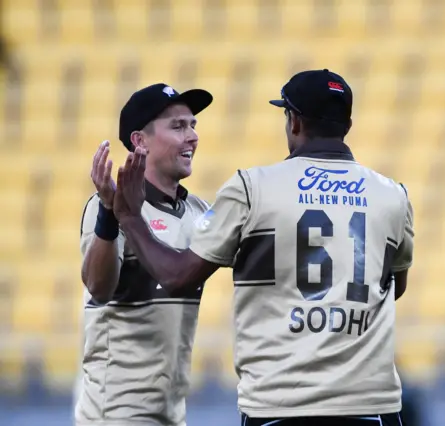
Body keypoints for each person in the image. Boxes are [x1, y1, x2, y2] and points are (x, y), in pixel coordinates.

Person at [112, 69, 414, 426]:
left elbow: (176, 276)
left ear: (294, 122)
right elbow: (394, 287)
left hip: (278, 406)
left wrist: (130, 218)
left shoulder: (251, 188)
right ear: (347, 124)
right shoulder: (393, 196)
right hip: (371, 407)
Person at [76, 83, 212, 426]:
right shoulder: (104, 206)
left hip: (172, 416)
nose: (192, 136)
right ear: (140, 141)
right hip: (115, 415)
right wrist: (111, 212)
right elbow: (98, 287)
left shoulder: (199, 211)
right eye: (178, 126)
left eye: (192, 125)